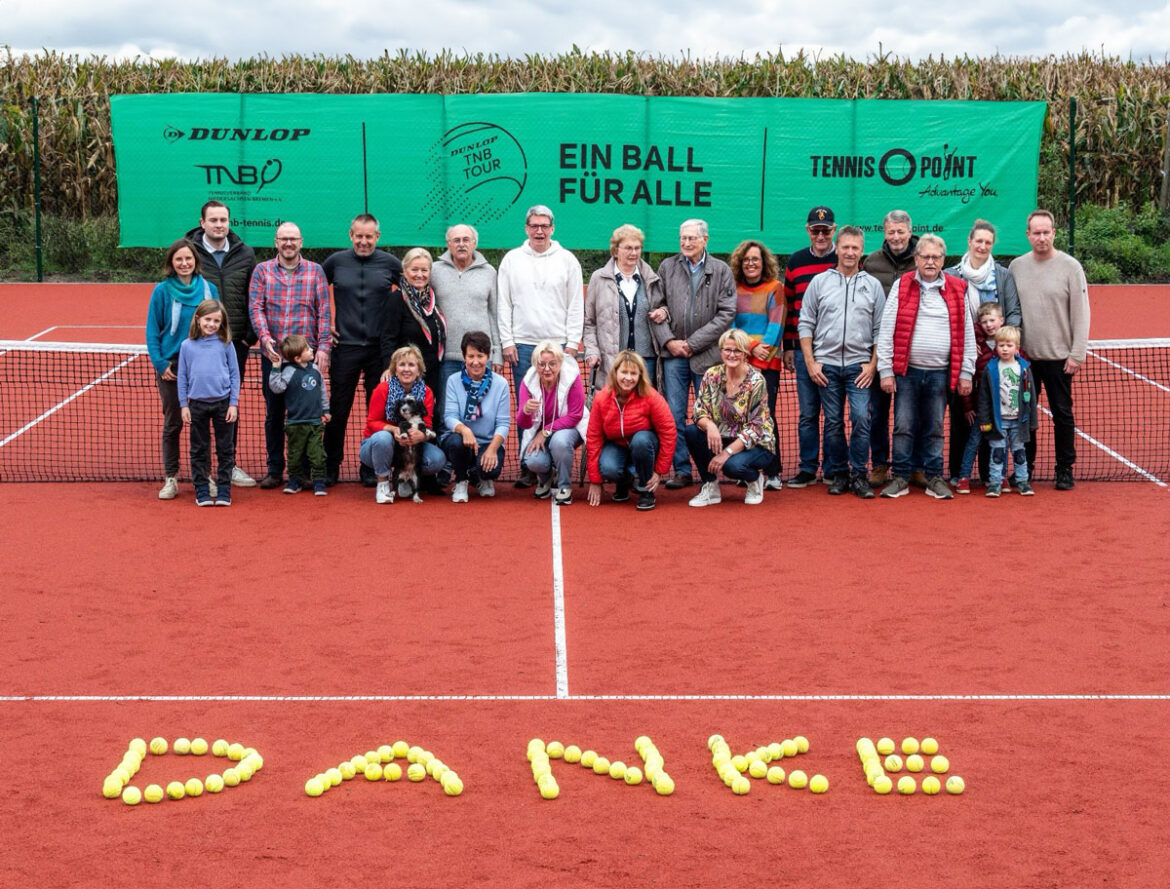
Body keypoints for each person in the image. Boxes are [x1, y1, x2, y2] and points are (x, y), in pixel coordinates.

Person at [876, 235, 976, 500]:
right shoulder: (902, 285)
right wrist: (886, 371)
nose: (931, 262)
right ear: (916, 259)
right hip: (907, 373)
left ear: (943, 260)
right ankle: (900, 477)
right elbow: (886, 330)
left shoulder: (958, 288)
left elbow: (967, 334)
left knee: (934, 427)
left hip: (940, 374)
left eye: (936, 257)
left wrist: (966, 372)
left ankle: (933, 477)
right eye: (925, 257)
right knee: (903, 426)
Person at [497, 205, 583, 484]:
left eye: (544, 226)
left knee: (560, 404)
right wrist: (507, 341)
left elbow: (575, 305)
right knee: (529, 407)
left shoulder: (568, 260)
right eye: (534, 225)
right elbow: (503, 303)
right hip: (522, 346)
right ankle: (529, 464)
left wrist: (572, 343)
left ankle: (555, 457)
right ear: (526, 228)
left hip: (559, 345)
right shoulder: (511, 259)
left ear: (552, 228)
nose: (539, 231)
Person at [797, 225, 885, 499]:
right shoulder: (820, 282)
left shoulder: (872, 286)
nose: (849, 252)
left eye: (855, 248)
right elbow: (805, 325)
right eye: (845, 247)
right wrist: (812, 363)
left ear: (861, 251)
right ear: (837, 248)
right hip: (827, 367)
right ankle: (839, 473)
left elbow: (881, 330)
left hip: (859, 367)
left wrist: (872, 366)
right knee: (833, 422)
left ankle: (859, 474)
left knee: (860, 418)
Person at [650, 218, 736, 490]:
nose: (686, 243)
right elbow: (657, 308)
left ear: (705, 240)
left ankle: (710, 472)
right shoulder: (666, 267)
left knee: (711, 417)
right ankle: (682, 470)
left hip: (707, 357)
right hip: (673, 357)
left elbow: (726, 314)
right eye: (683, 238)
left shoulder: (721, 270)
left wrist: (692, 343)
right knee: (673, 415)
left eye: (692, 238)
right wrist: (670, 342)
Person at [1009, 209, 1090, 490]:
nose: (1041, 237)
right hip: (1026, 361)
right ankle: (1025, 468)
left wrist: (1077, 353)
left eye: (1046, 232)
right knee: (1025, 417)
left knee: (1062, 415)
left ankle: (1064, 469)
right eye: (1036, 233)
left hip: (1059, 359)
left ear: (1054, 233)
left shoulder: (1071, 267)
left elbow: (1081, 313)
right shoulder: (1017, 267)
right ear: (1028, 235)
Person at [248, 222, 332, 489]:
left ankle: (304, 470)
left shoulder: (316, 271)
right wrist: (265, 338)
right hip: (273, 359)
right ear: (276, 241)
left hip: (305, 360)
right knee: (274, 414)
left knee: (307, 415)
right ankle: (275, 469)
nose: (288, 243)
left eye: (293, 239)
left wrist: (323, 348)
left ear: (301, 241)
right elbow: (256, 308)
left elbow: (324, 312)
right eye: (283, 239)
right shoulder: (261, 271)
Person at [322, 214, 402, 486]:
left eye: (369, 236)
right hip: (344, 349)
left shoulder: (391, 264)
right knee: (337, 410)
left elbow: (409, 300)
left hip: (379, 353)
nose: (364, 241)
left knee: (376, 413)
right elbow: (315, 295)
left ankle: (371, 466)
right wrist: (324, 327)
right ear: (351, 235)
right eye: (359, 236)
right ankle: (331, 465)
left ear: (377, 237)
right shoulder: (335, 263)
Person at [184, 200, 257, 488]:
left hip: (233, 342)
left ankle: (229, 463)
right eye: (213, 220)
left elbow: (255, 294)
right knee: (199, 406)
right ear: (202, 223)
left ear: (229, 222)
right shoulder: (189, 253)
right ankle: (200, 469)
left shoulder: (245, 253)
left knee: (228, 405)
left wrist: (247, 336)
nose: (218, 225)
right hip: (199, 344)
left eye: (223, 220)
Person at [944, 219, 1021, 482]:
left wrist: (1003, 345)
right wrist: (967, 341)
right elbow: (949, 313)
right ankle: (957, 473)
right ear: (969, 241)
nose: (983, 246)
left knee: (993, 416)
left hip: (995, 356)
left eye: (988, 242)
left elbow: (1012, 312)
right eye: (979, 241)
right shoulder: (952, 275)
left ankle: (990, 474)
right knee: (961, 415)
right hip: (962, 354)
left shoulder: (1003, 275)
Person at [146, 238, 218, 501]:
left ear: (196, 261)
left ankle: (205, 476)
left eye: (189, 258)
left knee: (201, 423)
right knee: (173, 423)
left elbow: (218, 327)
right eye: (179, 259)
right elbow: (153, 332)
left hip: (202, 367)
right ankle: (171, 478)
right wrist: (160, 363)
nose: (184, 263)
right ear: (171, 263)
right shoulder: (161, 291)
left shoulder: (209, 289)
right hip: (171, 368)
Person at [684, 329, 777, 507]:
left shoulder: (757, 381)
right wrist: (710, 426)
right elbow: (699, 411)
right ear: (721, 351)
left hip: (756, 444)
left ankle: (755, 479)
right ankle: (710, 486)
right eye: (727, 350)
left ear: (745, 354)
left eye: (737, 350)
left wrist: (726, 454)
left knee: (732, 467)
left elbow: (756, 427)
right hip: (721, 437)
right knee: (691, 432)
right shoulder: (712, 375)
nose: (732, 354)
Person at [782, 206, 838, 488]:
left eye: (825, 230)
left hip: (834, 351)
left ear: (834, 230)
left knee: (833, 414)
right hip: (804, 351)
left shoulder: (846, 259)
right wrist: (788, 346)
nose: (820, 235)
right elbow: (790, 308)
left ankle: (830, 468)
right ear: (808, 230)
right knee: (807, 413)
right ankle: (807, 467)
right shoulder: (796, 261)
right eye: (815, 230)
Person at [864, 210, 919, 487]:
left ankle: (915, 465)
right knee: (877, 412)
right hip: (878, 349)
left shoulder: (923, 259)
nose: (896, 237)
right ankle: (879, 464)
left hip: (914, 349)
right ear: (884, 233)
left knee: (910, 414)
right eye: (891, 232)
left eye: (900, 232)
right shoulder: (871, 262)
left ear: (910, 231)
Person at [585, 351, 676, 511]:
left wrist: (660, 471)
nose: (628, 378)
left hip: (645, 444)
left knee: (641, 441)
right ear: (615, 373)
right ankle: (624, 481)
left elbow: (668, 431)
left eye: (633, 373)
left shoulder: (651, 396)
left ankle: (646, 490)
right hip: (617, 444)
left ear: (640, 375)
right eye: (624, 372)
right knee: (608, 468)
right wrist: (595, 480)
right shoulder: (601, 398)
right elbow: (593, 437)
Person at [359, 345, 446, 504]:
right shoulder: (382, 389)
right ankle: (383, 483)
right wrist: (394, 430)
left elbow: (426, 423)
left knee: (437, 459)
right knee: (383, 438)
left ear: (419, 370)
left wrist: (421, 435)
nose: (407, 369)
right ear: (395, 369)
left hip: (409, 448)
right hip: (376, 447)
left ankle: (406, 479)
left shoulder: (426, 392)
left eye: (411, 365)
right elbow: (372, 422)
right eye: (402, 365)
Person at [730, 238, 785, 489]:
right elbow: (730, 325)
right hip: (739, 363)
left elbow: (775, 325)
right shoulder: (732, 288)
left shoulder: (776, 288)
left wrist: (761, 351)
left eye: (756, 259)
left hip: (766, 365)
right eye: (747, 260)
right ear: (740, 263)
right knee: (741, 417)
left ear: (764, 263)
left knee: (766, 417)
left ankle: (773, 472)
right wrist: (750, 348)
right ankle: (746, 469)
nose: (751, 264)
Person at [177, 298, 240, 506]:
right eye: (208, 319)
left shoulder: (226, 344)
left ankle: (224, 490)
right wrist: (183, 405)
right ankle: (202, 490)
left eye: (216, 321)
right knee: (198, 449)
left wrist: (233, 403)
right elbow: (183, 377)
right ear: (198, 319)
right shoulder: (187, 346)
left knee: (225, 449)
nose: (211, 324)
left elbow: (234, 375)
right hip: (196, 405)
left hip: (223, 404)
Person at [584, 223, 663, 387]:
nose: (633, 253)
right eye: (628, 248)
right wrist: (592, 351)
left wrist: (663, 311)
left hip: (646, 360)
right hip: (612, 359)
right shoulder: (598, 278)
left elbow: (664, 307)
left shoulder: (652, 278)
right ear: (615, 250)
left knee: (642, 409)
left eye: (637, 248)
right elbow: (589, 322)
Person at [431, 224, 502, 400]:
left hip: (481, 356)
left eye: (466, 240)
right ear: (448, 244)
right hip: (446, 357)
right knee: (446, 410)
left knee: (482, 408)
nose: (461, 244)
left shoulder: (489, 272)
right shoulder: (434, 270)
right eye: (456, 240)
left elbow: (494, 315)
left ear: (474, 243)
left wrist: (497, 353)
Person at [515, 340, 589, 505]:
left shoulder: (571, 377)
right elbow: (523, 423)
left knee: (559, 442)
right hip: (541, 431)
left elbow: (575, 414)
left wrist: (545, 431)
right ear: (535, 364)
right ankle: (546, 478)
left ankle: (564, 485)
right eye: (541, 364)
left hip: (570, 427)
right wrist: (526, 411)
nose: (547, 369)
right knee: (533, 460)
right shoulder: (528, 382)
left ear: (560, 363)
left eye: (552, 364)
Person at [441, 331, 511, 503]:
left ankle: (481, 476)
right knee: (457, 443)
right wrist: (464, 430)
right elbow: (449, 416)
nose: (475, 361)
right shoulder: (453, 380)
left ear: (488, 356)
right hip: (461, 440)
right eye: (470, 356)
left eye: (480, 356)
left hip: (487, 442)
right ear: (464, 357)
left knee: (490, 470)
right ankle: (461, 480)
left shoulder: (501, 384)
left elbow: (503, 423)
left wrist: (493, 449)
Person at [954, 301, 1010, 493]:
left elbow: (1022, 369)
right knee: (974, 441)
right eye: (984, 321)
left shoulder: (1009, 346)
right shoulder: (975, 347)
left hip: (1003, 410)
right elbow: (969, 378)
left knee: (1000, 442)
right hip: (982, 411)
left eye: (992, 320)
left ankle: (1000, 477)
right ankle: (963, 477)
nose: (989, 325)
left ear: (1001, 321)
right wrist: (968, 406)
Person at [383, 247, 447, 413]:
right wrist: (388, 368)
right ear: (404, 271)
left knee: (430, 418)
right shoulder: (396, 299)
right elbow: (388, 338)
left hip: (432, 372)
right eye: (414, 269)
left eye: (424, 270)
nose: (420, 274)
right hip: (407, 374)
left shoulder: (433, 299)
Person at [977, 326, 1038, 497]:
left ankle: (1022, 482)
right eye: (1001, 345)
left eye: (1009, 345)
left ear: (1017, 347)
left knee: (1019, 453)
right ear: (996, 347)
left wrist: (1033, 421)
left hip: (1019, 421)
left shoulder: (1024, 368)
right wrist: (984, 420)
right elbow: (984, 397)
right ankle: (995, 483)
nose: (1005, 349)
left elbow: (1031, 396)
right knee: (997, 453)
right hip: (998, 421)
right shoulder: (991, 369)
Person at [267, 334, 330, 496]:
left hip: (315, 422)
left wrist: (326, 410)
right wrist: (275, 368)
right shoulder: (288, 371)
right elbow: (277, 387)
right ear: (297, 357)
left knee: (317, 455)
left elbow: (322, 391)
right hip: (295, 423)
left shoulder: (315, 370)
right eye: (307, 349)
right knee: (294, 455)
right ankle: (294, 481)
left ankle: (319, 481)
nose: (311, 350)